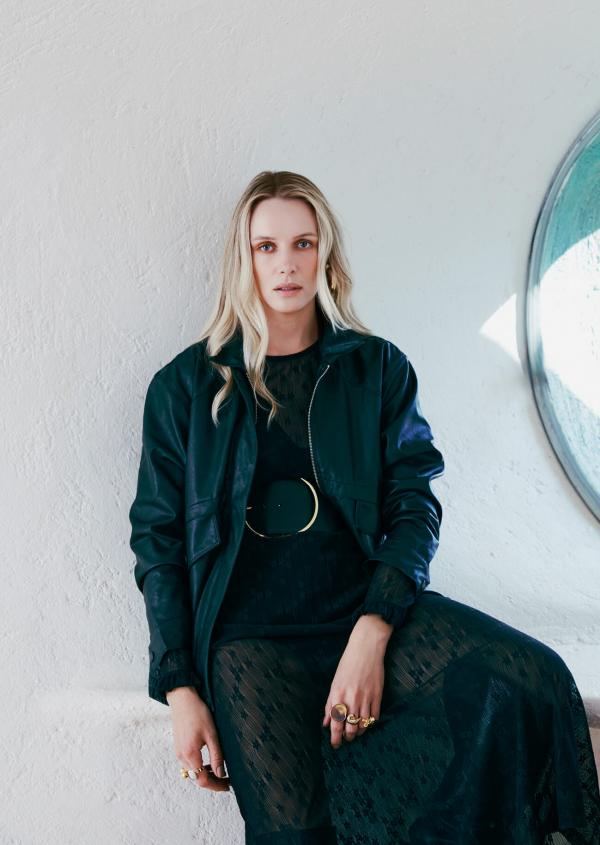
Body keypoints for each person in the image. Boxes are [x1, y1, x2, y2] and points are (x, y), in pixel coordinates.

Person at [128, 170, 600, 845]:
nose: (286, 264)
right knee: (297, 833)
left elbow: (415, 508)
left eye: (303, 243)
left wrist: (371, 632)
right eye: (266, 247)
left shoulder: (377, 369)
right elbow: (158, 544)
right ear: (243, 259)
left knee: (532, 678)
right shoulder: (184, 387)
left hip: (361, 609)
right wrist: (179, 688)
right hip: (249, 641)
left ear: (326, 253)